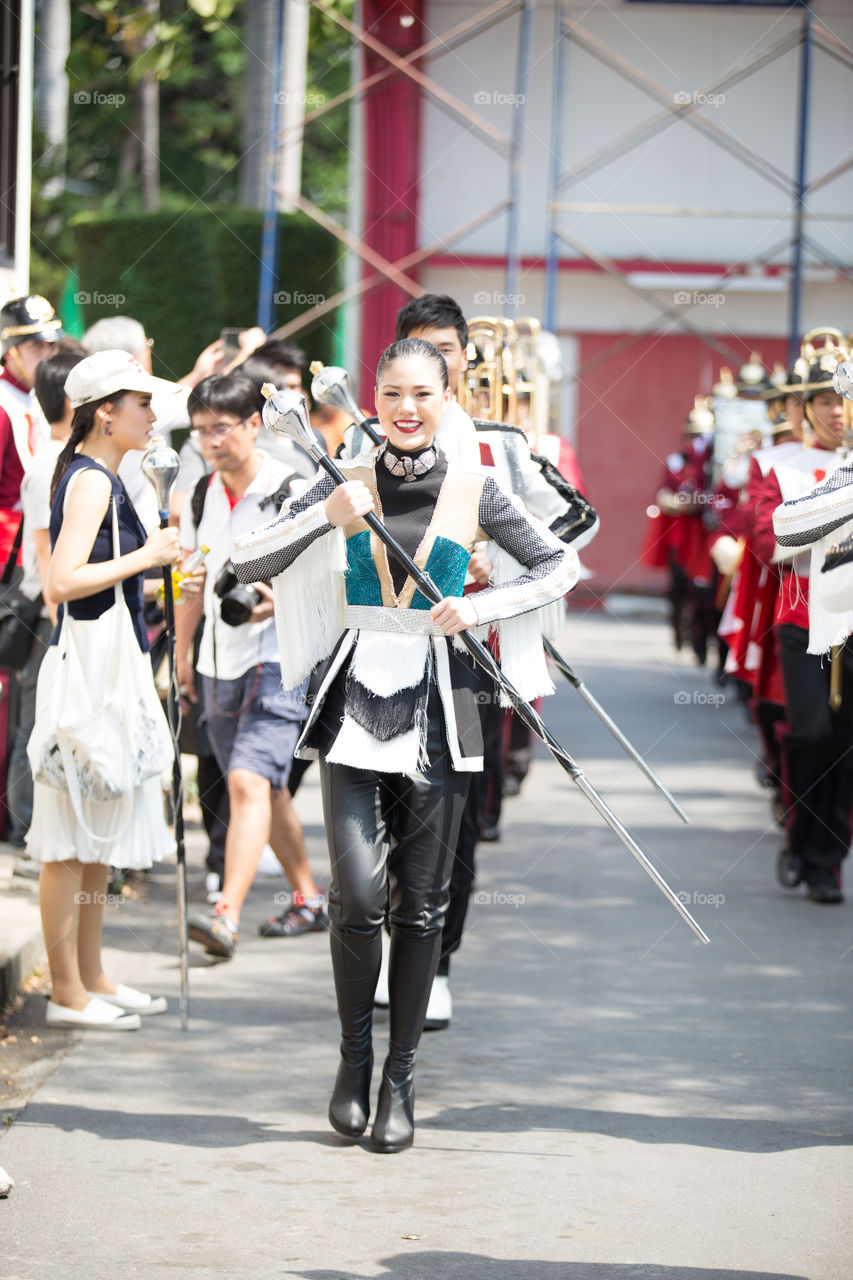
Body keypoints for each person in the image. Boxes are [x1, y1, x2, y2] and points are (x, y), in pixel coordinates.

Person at [232, 337, 579, 1152]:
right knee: (356, 898)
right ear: (373, 398)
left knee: (418, 908)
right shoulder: (340, 476)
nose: (406, 408)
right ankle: (351, 1062)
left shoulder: (474, 484)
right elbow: (246, 559)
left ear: (446, 395)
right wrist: (326, 514)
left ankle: (400, 1080)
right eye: (391, 393)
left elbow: (559, 565)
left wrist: (483, 610)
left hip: (441, 708)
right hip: (352, 705)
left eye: (422, 393)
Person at [27, 349, 182, 1028]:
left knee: (93, 828)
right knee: (69, 833)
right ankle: (67, 990)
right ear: (105, 412)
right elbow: (60, 583)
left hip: (106, 656)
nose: (152, 415)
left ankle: (88, 978)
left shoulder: (101, 475)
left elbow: (98, 574)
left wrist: (152, 572)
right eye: (141, 403)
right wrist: (146, 558)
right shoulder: (91, 480)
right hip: (87, 666)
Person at [175, 373, 327, 958]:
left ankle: (225, 916)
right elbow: (190, 585)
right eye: (201, 431)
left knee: (244, 781)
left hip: (278, 657)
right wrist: (184, 656)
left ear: (253, 425)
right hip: (218, 659)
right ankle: (308, 897)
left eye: (222, 428)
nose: (212, 441)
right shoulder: (196, 495)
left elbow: (323, 578)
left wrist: (276, 601)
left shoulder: (294, 488)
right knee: (269, 789)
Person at [751, 332, 852, 903]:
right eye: (825, 401)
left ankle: (827, 858)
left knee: (848, 740)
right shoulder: (778, 465)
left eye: (844, 400)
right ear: (806, 408)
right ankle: (800, 832)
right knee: (811, 732)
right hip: (805, 613)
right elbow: (770, 541)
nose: (838, 412)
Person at [5, 350, 85, 849]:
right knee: (34, 722)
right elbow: (45, 553)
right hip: (46, 615)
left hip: (56, 613)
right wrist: (62, 625)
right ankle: (27, 829)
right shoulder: (46, 469)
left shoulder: (65, 463)